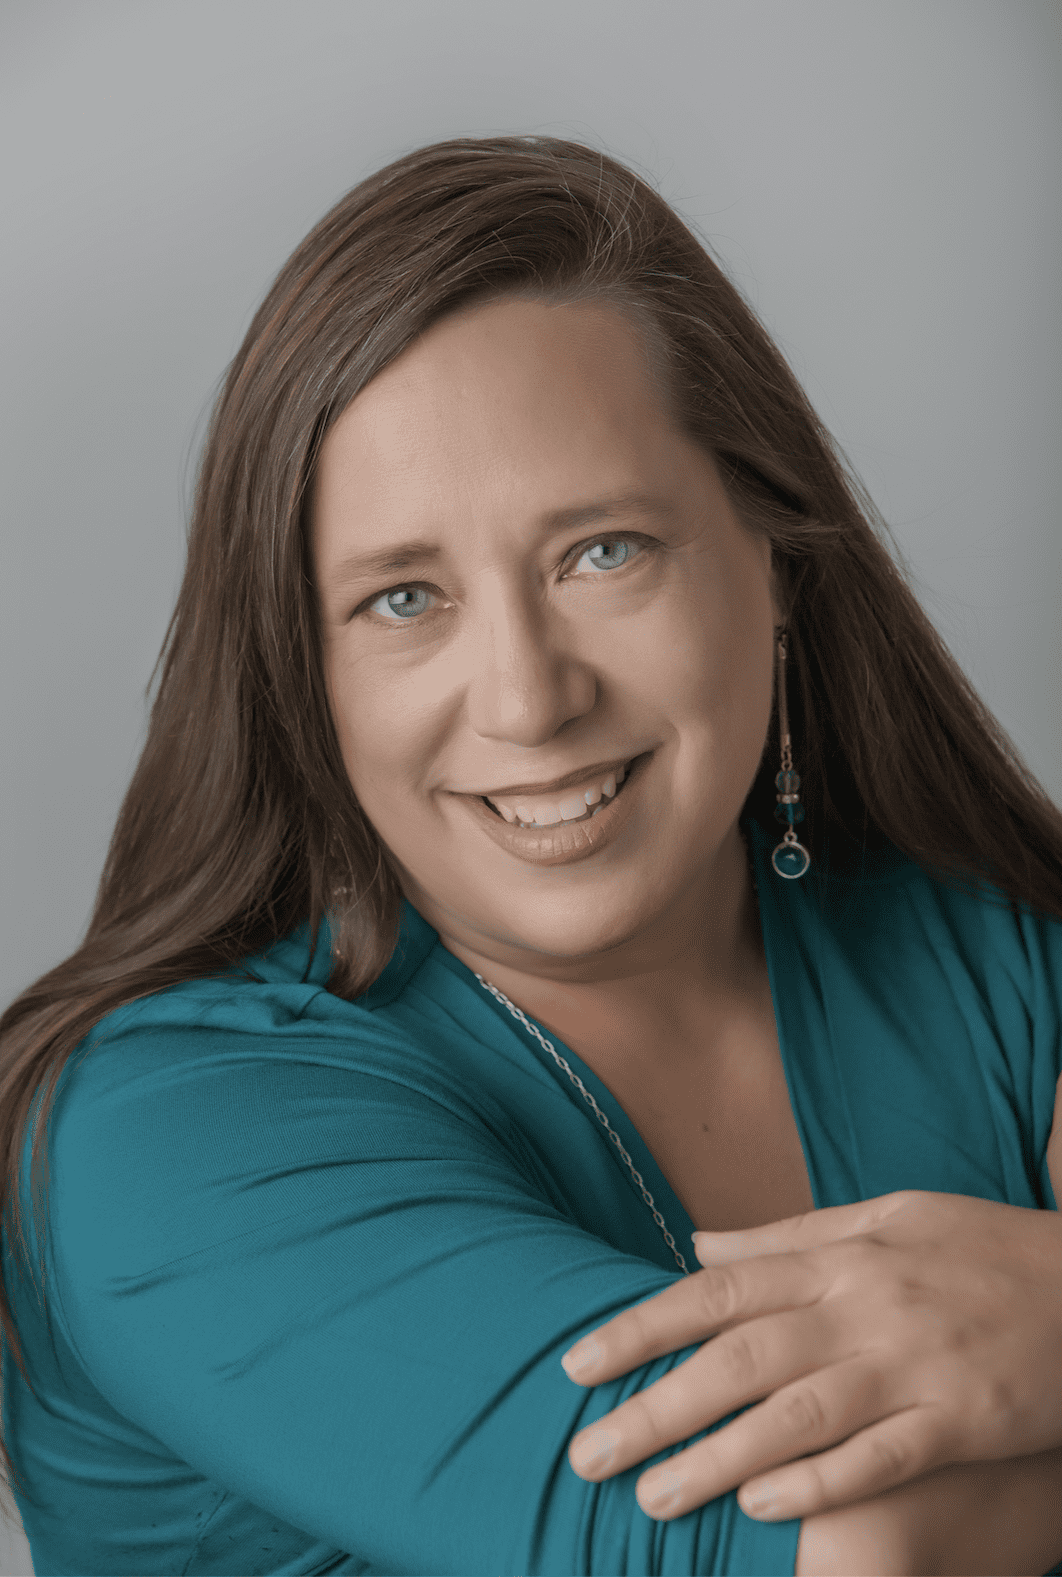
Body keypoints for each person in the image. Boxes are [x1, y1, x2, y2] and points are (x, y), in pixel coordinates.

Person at [1, 135, 1060, 1577]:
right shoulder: (161, 1138)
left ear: (775, 565)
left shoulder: (996, 947)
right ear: (301, 675)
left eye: (601, 552)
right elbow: (852, 1551)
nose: (525, 696)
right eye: (402, 597)